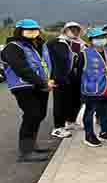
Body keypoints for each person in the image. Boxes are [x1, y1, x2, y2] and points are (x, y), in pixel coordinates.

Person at [1, 19, 54, 162]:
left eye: (35, 29)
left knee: (40, 114)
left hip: (40, 85)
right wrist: (42, 82)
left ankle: (32, 145)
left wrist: (47, 81)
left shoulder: (37, 45)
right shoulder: (12, 47)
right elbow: (22, 69)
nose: (32, 32)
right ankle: (26, 151)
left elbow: (45, 63)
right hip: (23, 86)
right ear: (19, 31)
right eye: (28, 30)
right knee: (32, 113)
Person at [79, 28, 107, 147]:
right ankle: (89, 135)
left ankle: (104, 132)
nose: (101, 40)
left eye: (103, 38)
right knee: (90, 112)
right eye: (98, 38)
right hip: (91, 89)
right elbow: (77, 72)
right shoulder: (84, 54)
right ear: (91, 40)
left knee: (106, 112)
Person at [46, 21, 84, 138]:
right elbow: (63, 57)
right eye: (71, 29)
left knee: (75, 101)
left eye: (77, 29)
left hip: (75, 78)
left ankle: (71, 121)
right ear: (65, 30)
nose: (74, 31)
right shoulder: (57, 42)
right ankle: (58, 127)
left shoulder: (81, 43)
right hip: (60, 78)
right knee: (60, 103)